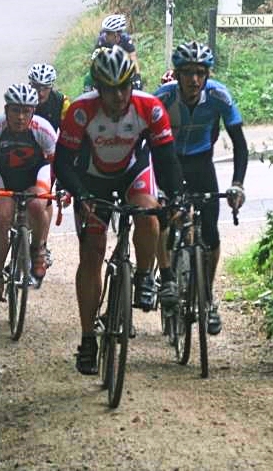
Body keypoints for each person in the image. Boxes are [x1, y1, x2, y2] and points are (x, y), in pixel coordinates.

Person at [53, 45, 183, 375]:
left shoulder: (149, 108)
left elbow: (166, 159)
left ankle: (142, 277)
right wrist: (80, 196)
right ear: (98, 87)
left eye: (124, 86)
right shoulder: (81, 111)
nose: (118, 95)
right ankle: (87, 340)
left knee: (149, 214)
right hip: (91, 179)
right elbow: (64, 163)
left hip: (131, 171)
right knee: (92, 254)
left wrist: (174, 196)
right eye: (110, 89)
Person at [153, 41, 246, 336]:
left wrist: (237, 185)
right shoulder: (163, 98)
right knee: (162, 219)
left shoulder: (218, 95)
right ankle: (166, 277)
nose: (194, 80)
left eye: (200, 73)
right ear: (177, 75)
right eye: (188, 73)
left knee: (211, 232)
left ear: (207, 74)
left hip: (201, 163)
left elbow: (240, 143)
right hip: (168, 163)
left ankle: (207, 298)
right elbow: (144, 142)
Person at [0, 83, 58, 301]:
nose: (20, 117)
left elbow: (57, 165)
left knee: (38, 203)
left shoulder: (44, 129)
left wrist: (61, 190)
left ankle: (39, 249)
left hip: (35, 175)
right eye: (15, 110)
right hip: (5, 176)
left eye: (26, 111)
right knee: (1, 217)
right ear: (6, 109)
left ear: (33, 111)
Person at [94, 14, 142, 89]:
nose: (105, 35)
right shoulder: (101, 41)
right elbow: (95, 61)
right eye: (105, 32)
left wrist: (137, 77)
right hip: (106, 69)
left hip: (121, 70)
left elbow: (133, 57)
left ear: (116, 34)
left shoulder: (125, 39)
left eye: (108, 33)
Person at [28, 63, 70, 133]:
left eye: (45, 88)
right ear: (30, 85)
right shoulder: (21, 100)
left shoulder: (62, 102)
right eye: (36, 87)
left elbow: (68, 131)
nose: (41, 93)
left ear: (51, 87)